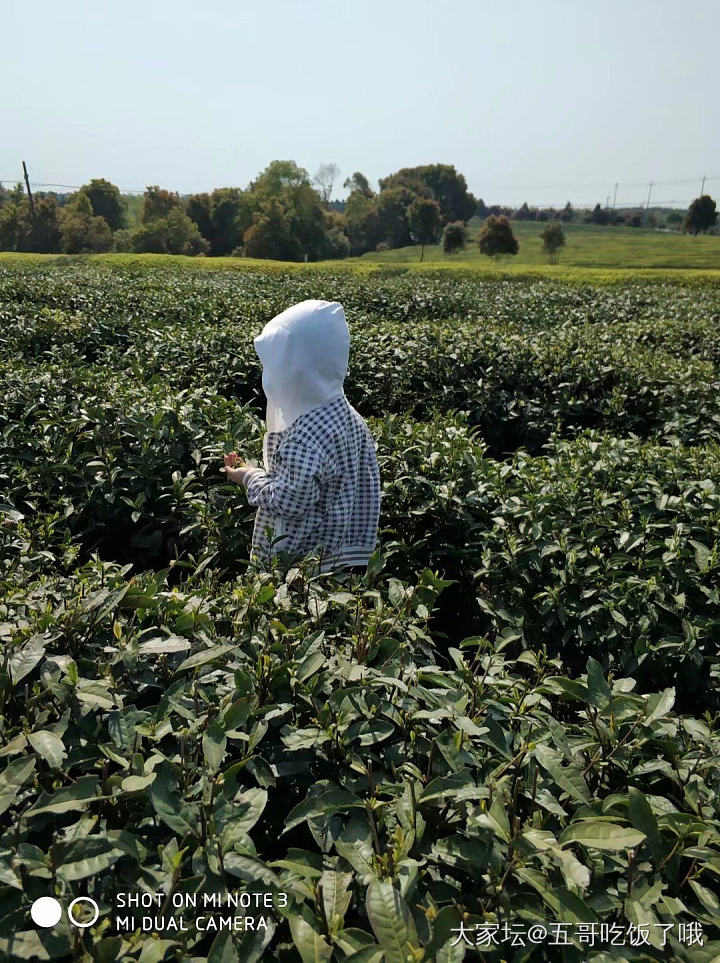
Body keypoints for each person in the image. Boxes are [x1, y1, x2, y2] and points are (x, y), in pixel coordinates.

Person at [223, 299, 380, 575]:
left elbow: (288, 502)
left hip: (303, 568)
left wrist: (248, 476)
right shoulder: (348, 415)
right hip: (343, 555)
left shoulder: (305, 435)